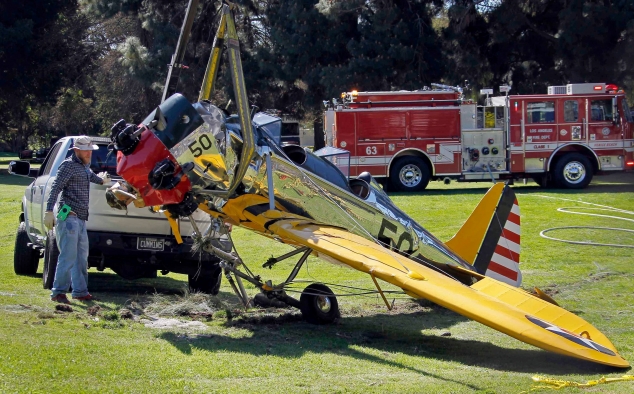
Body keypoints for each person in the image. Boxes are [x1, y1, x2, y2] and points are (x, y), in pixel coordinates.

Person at [44, 136, 110, 304]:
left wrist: (103, 180)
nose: (90, 153)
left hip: (80, 219)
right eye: (87, 150)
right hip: (68, 217)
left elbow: (92, 177)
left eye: (90, 150)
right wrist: (49, 211)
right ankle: (58, 292)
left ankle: (80, 291)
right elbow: (55, 188)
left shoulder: (83, 166)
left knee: (81, 257)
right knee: (68, 256)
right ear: (77, 151)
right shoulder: (68, 166)